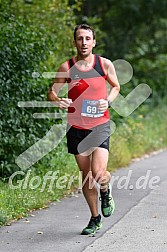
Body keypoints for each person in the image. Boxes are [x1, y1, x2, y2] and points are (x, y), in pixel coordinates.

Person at [48, 24, 120, 235]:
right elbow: (51, 92)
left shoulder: (104, 64)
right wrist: (58, 100)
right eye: (80, 39)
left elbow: (116, 86)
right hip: (77, 127)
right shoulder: (67, 67)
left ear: (94, 42)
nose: (84, 42)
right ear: (75, 42)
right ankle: (95, 218)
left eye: (88, 38)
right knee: (87, 175)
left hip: (99, 125)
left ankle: (105, 191)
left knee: (98, 173)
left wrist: (108, 101)